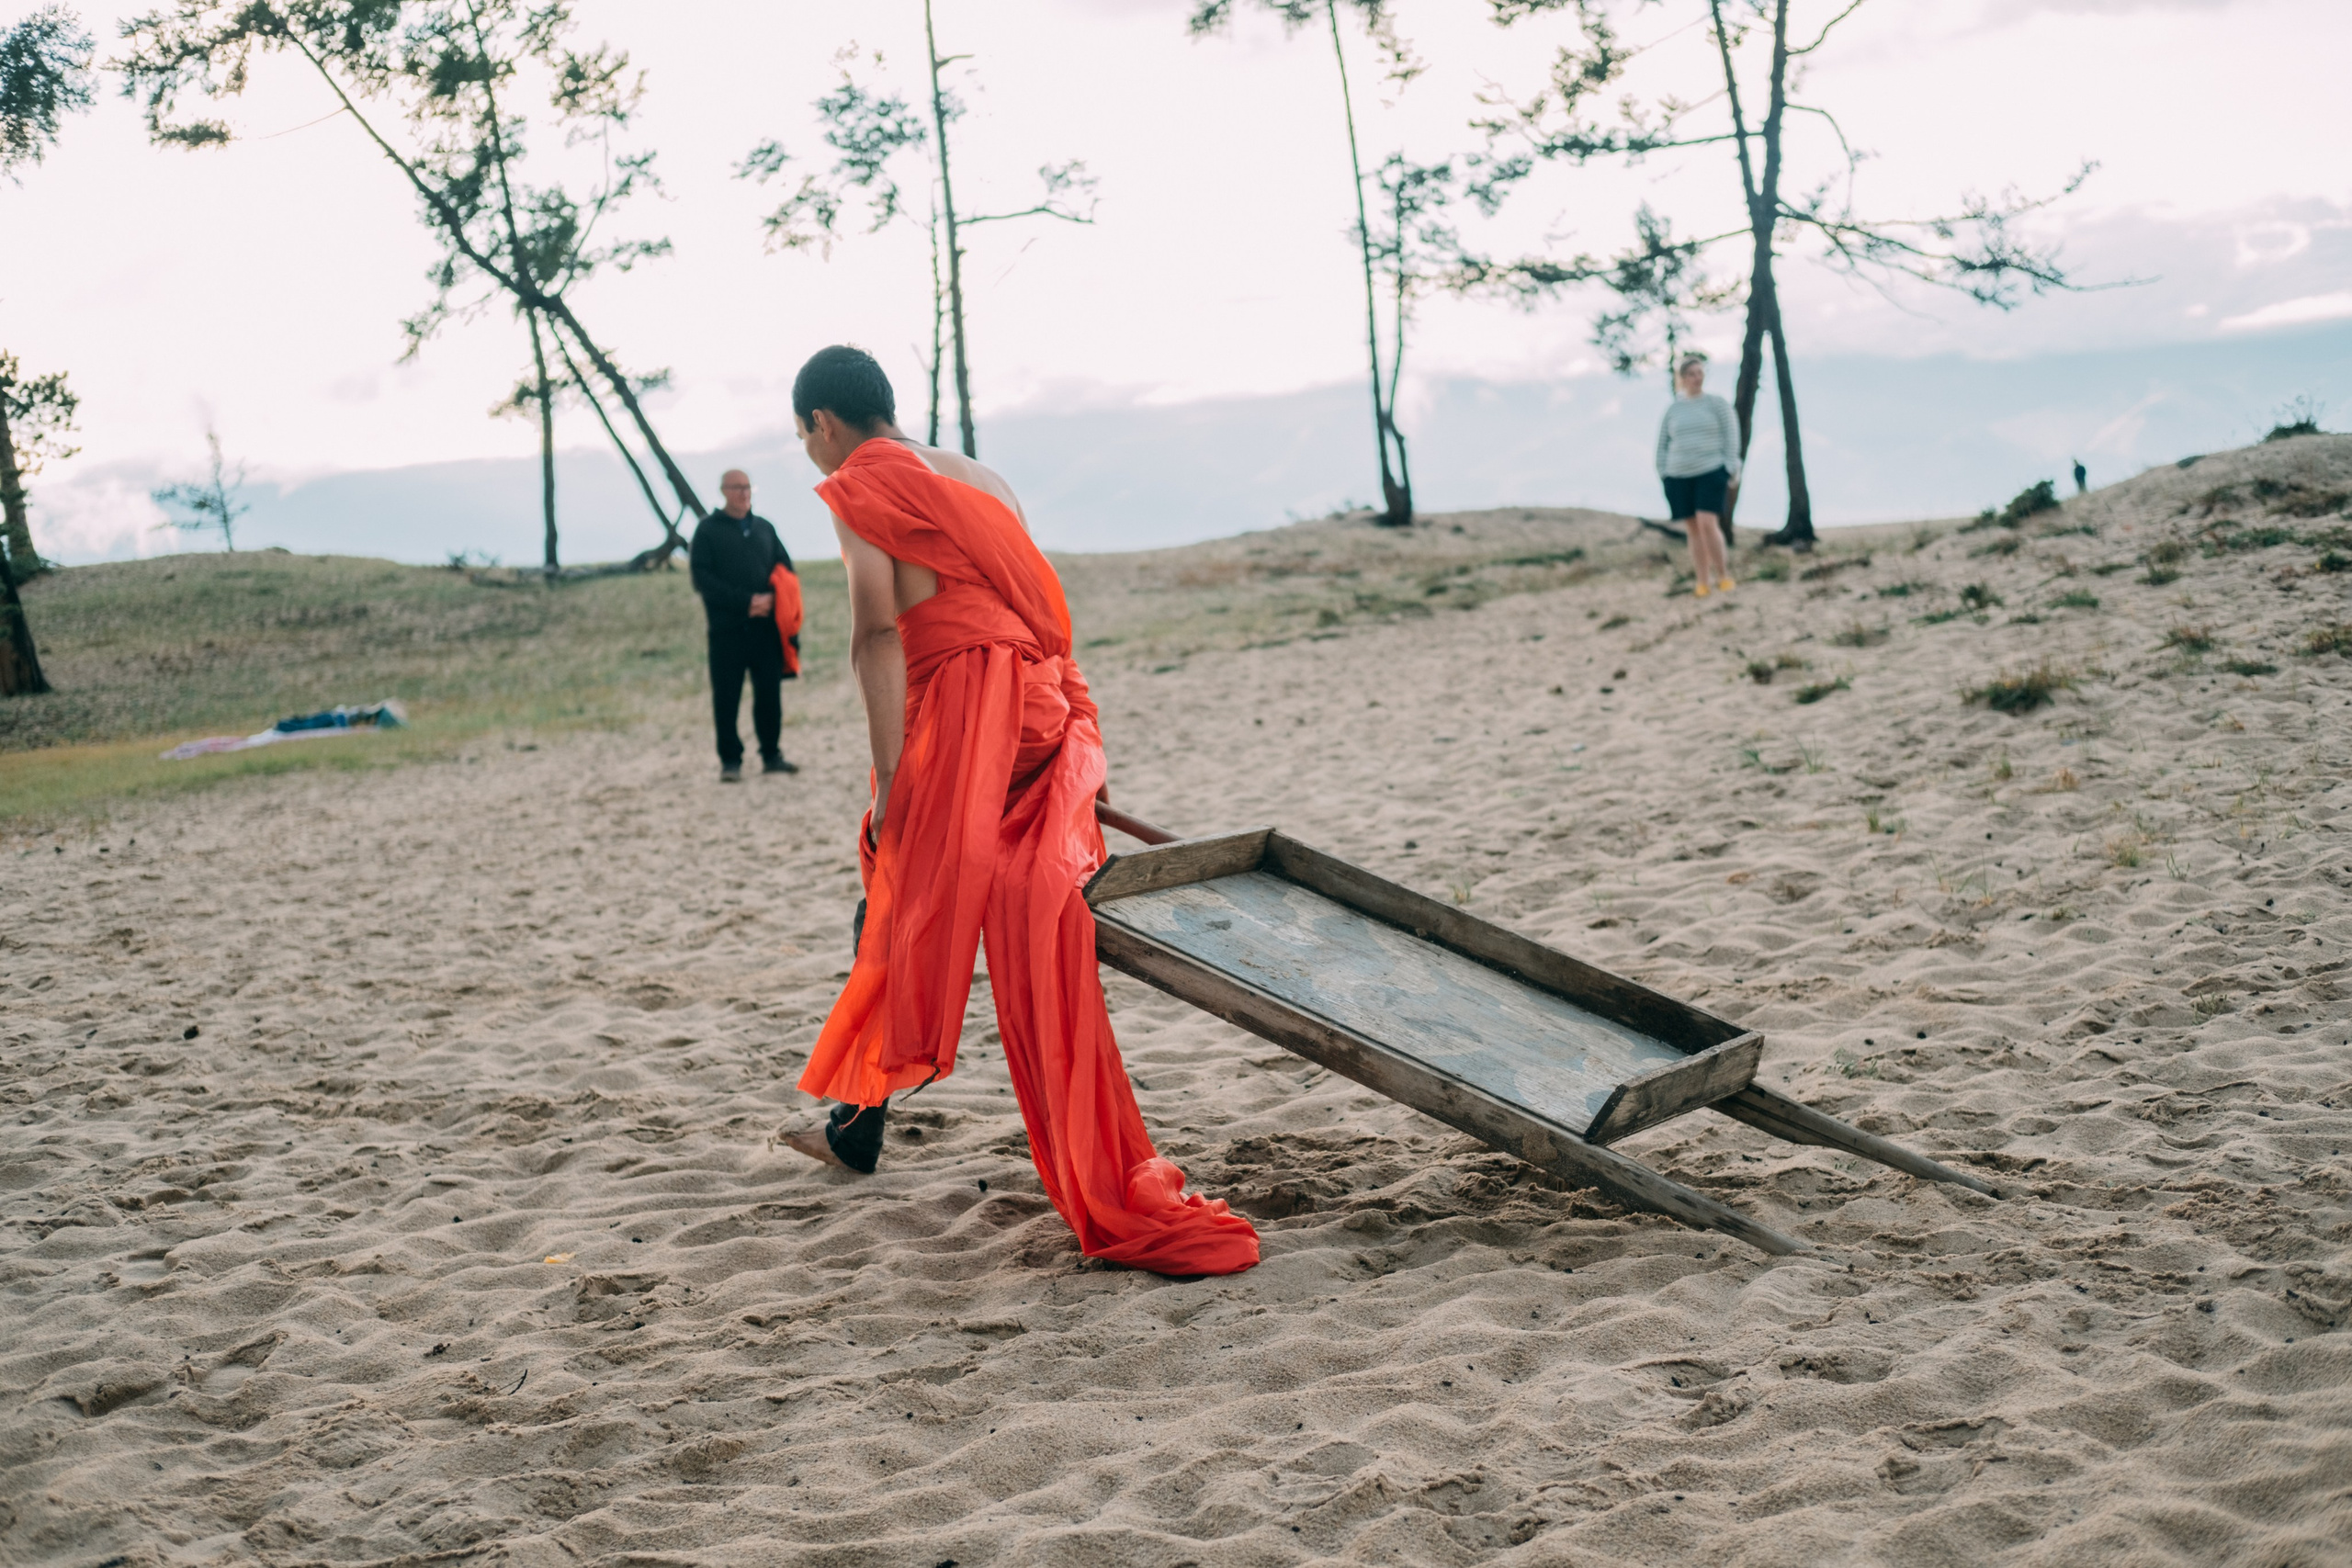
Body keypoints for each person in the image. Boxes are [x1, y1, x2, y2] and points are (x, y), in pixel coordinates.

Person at [779, 344, 1260, 1279]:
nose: (811, 455)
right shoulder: (983, 477)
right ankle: (855, 1124)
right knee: (902, 901)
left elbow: (877, 635)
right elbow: (1044, 615)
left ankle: (858, 1121)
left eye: (805, 438)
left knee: (898, 887)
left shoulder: (858, 486)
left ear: (823, 425)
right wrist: (1084, 728)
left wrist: (895, 785)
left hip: (972, 731)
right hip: (1043, 717)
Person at [689, 469, 799, 781]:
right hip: (727, 631)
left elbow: (785, 569)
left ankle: (771, 755)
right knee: (726, 697)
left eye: (747, 487)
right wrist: (745, 602)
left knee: (769, 694)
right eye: (737, 488)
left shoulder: (765, 528)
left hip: (766, 630)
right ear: (724, 491)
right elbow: (702, 578)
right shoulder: (708, 530)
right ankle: (730, 761)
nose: (744, 493)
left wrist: (773, 599)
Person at [1656, 354, 1740, 597]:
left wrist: (1729, 466)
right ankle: (1702, 582)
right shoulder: (1673, 409)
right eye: (1691, 374)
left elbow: (1731, 435)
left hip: (1711, 470)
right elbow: (1662, 444)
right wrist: (1664, 472)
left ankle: (1723, 576)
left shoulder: (1717, 404)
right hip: (1678, 475)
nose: (1697, 378)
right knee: (1693, 529)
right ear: (1682, 378)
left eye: (1700, 373)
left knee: (1707, 523)